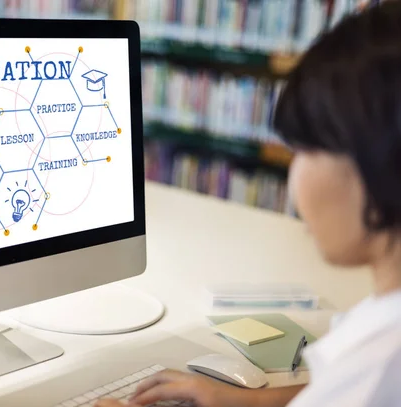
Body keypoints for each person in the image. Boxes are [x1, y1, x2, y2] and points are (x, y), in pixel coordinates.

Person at [95, 2, 401, 406]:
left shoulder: (378, 364)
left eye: (305, 149)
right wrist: (253, 402)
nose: (296, 177)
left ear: (376, 160)